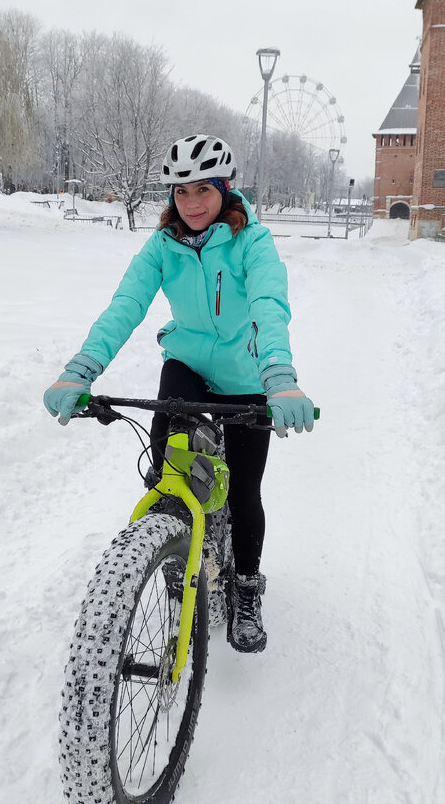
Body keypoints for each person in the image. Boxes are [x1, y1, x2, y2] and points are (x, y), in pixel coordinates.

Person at [43, 133, 315, 654]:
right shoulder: (162, 246)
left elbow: (268, 306)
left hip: (247, 379)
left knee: (243, 492)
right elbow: (125, 305)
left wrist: (279, 377)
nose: (191, 203)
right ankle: (173, 538)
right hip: (188, 366)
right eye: (180, 191)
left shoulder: (252, 242)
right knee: (168, 460)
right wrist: (80, 371)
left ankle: (246, 588)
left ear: (225, 189)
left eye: (203, 190)